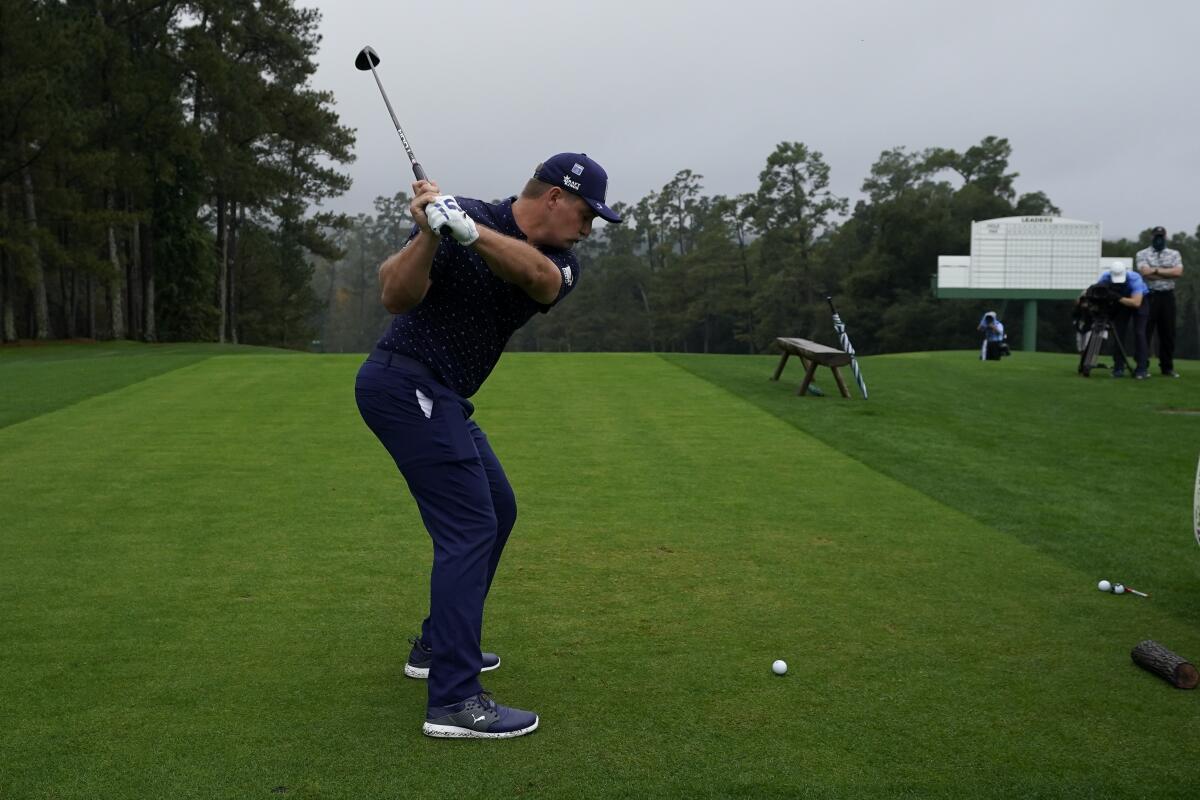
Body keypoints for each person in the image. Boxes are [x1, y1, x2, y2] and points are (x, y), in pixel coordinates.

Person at [353, 153, 620, 739]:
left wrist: (472, 237)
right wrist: (428, 233)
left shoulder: (557, 261)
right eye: (585, 213)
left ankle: (434, 649)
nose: (588, 228)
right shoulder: (459, 214)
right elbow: (395, 297)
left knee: (498, 510)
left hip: (442, 394)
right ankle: (453, 699)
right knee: (469, 526)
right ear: (553, 197)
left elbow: (538, 280)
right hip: (403, 382)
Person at [1136, 226, 1185, 377]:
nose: (1159, 239)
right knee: (1145, 332)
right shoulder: (1142, 253)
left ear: (1165, 237)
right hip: (1149, 296)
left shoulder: (1174, 253)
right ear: (1152, 237)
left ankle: (1167, 367)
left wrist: (1155, 270)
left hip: (1167, 297)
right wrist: (1167, 273)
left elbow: (1178, 272)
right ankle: (1142, 366)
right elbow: (1145, 273)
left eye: (1161, 236)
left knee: (1168, 333)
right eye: (1156, 236)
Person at [1097, 261, 1150, 379]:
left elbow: (1136, 303)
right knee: (1118, 333)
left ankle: (1142, 369)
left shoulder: (1134, 278)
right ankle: (1118, 368)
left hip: (1140, 301)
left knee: (1140, 333)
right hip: (1122, 303)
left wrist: (1117, 297)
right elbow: (1097, 292)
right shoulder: (1105, 277)